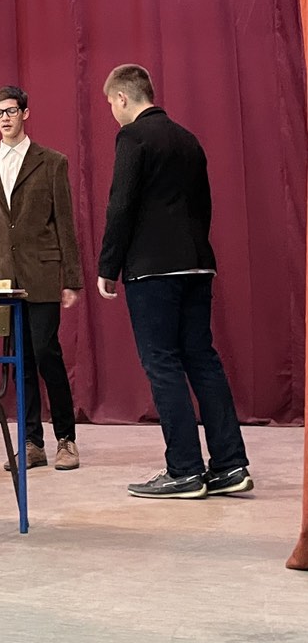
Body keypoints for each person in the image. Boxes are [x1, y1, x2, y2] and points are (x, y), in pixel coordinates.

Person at [97, 63, 252, 499]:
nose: (112, 111)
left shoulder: (133, 137)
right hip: (197, 263)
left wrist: (108, 265)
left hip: (153, 270)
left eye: (110, 103)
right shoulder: (188, 138)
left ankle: (184, 469)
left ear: (122, 97)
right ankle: (230, 465)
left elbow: (120, 205)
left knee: (162, 362)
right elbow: (204, 205)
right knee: (202, 358)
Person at [0, 85, 82, 471]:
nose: (4, 118)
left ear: (25, 113)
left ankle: (66, 438)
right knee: (20, 360)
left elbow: (65, 224)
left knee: (46, 351)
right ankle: (32, 442)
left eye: (11, 111)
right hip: (3, 280)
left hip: (42, 273)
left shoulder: (51, 162)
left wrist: (71, 279)